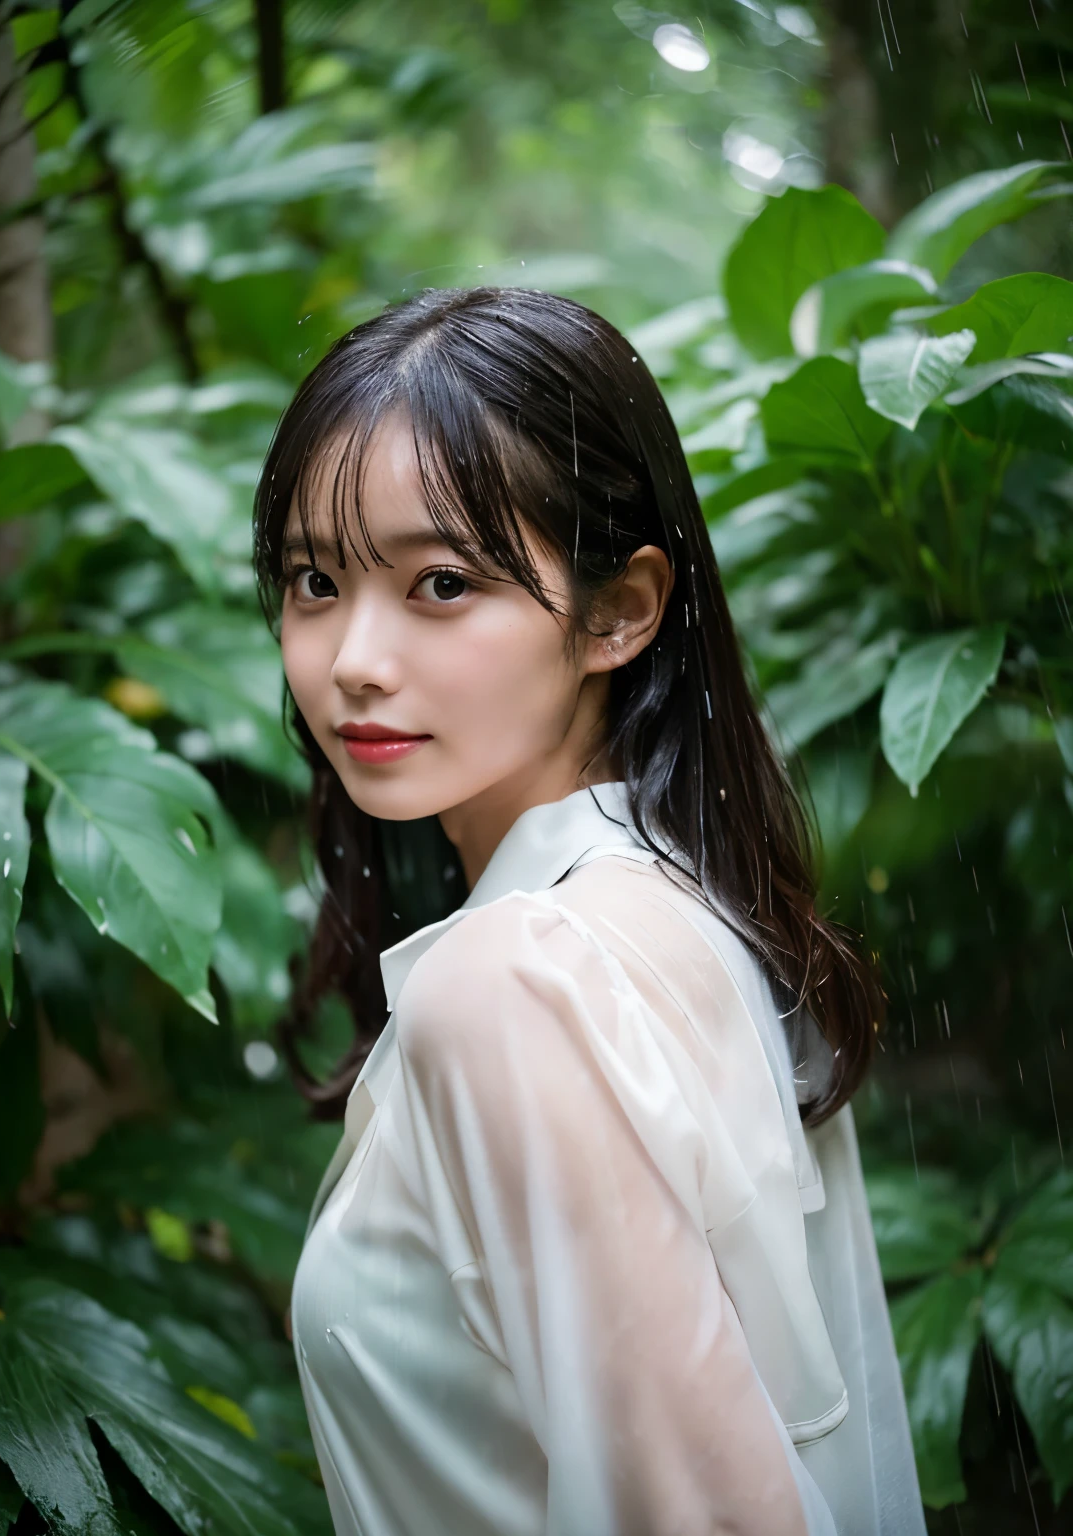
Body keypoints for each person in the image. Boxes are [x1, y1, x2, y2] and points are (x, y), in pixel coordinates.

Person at [253, 286, 926, 1536]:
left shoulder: (519, 981)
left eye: (442, 582)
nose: (352, 657)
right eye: (314, 579)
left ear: (619, 609)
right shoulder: (687, 911)